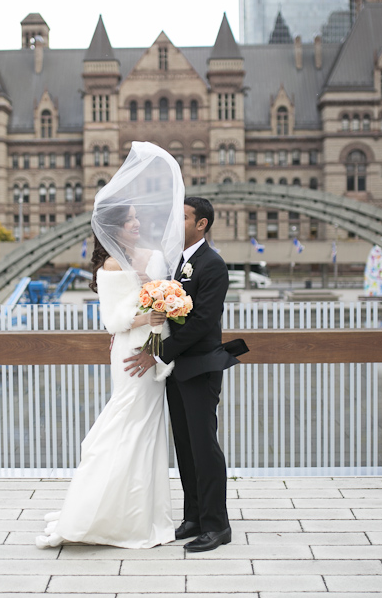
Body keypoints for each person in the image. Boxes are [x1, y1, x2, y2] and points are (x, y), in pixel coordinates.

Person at [36, 141, 184, 550]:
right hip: (129, 352)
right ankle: (98, 511)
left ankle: (143, 513)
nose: (138, 225)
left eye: (138, 219)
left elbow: (167, 294)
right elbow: (113, 320)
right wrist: (149, 316)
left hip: (155, 353)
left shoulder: (153, 258)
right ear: (116, 227)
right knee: (124, 425)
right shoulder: (111, 267)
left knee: (149, 432)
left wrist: (167, 310)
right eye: (132, 221)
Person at [124, 197, 237, 552]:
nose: (177, 223)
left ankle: (218, 526)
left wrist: (156, 353)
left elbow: (203, 322)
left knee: (205, 447)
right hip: (177, 370)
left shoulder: (213, 265)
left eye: (184, 217)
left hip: (201, 368)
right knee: (185, 447)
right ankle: (195, 517)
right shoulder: (176, 264)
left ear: (201, 224)